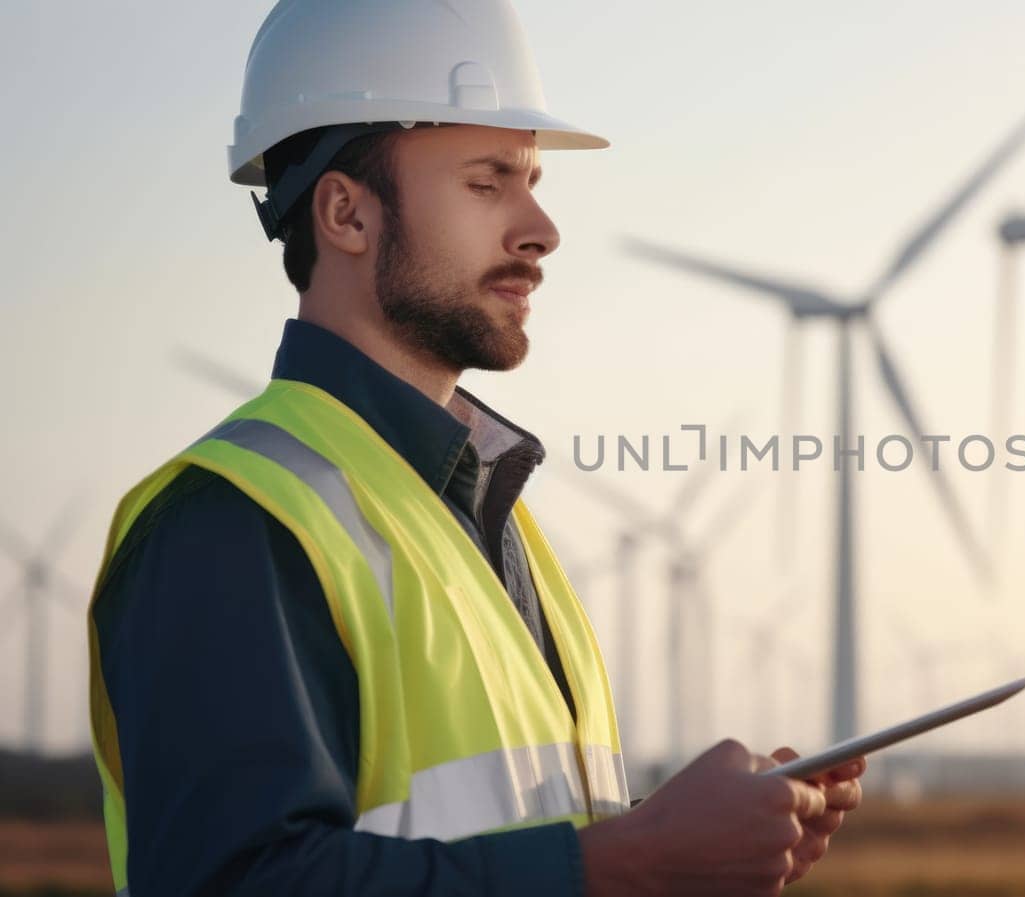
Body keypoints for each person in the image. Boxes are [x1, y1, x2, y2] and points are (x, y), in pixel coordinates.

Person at [85, 1, 864, 894]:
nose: (541, 230)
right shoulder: (232, 521)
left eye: (534, 183)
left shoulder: (487, 514)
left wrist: (691, 854)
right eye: (489, 182)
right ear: (345, 214)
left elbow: (525, 839)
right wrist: (638, 859)